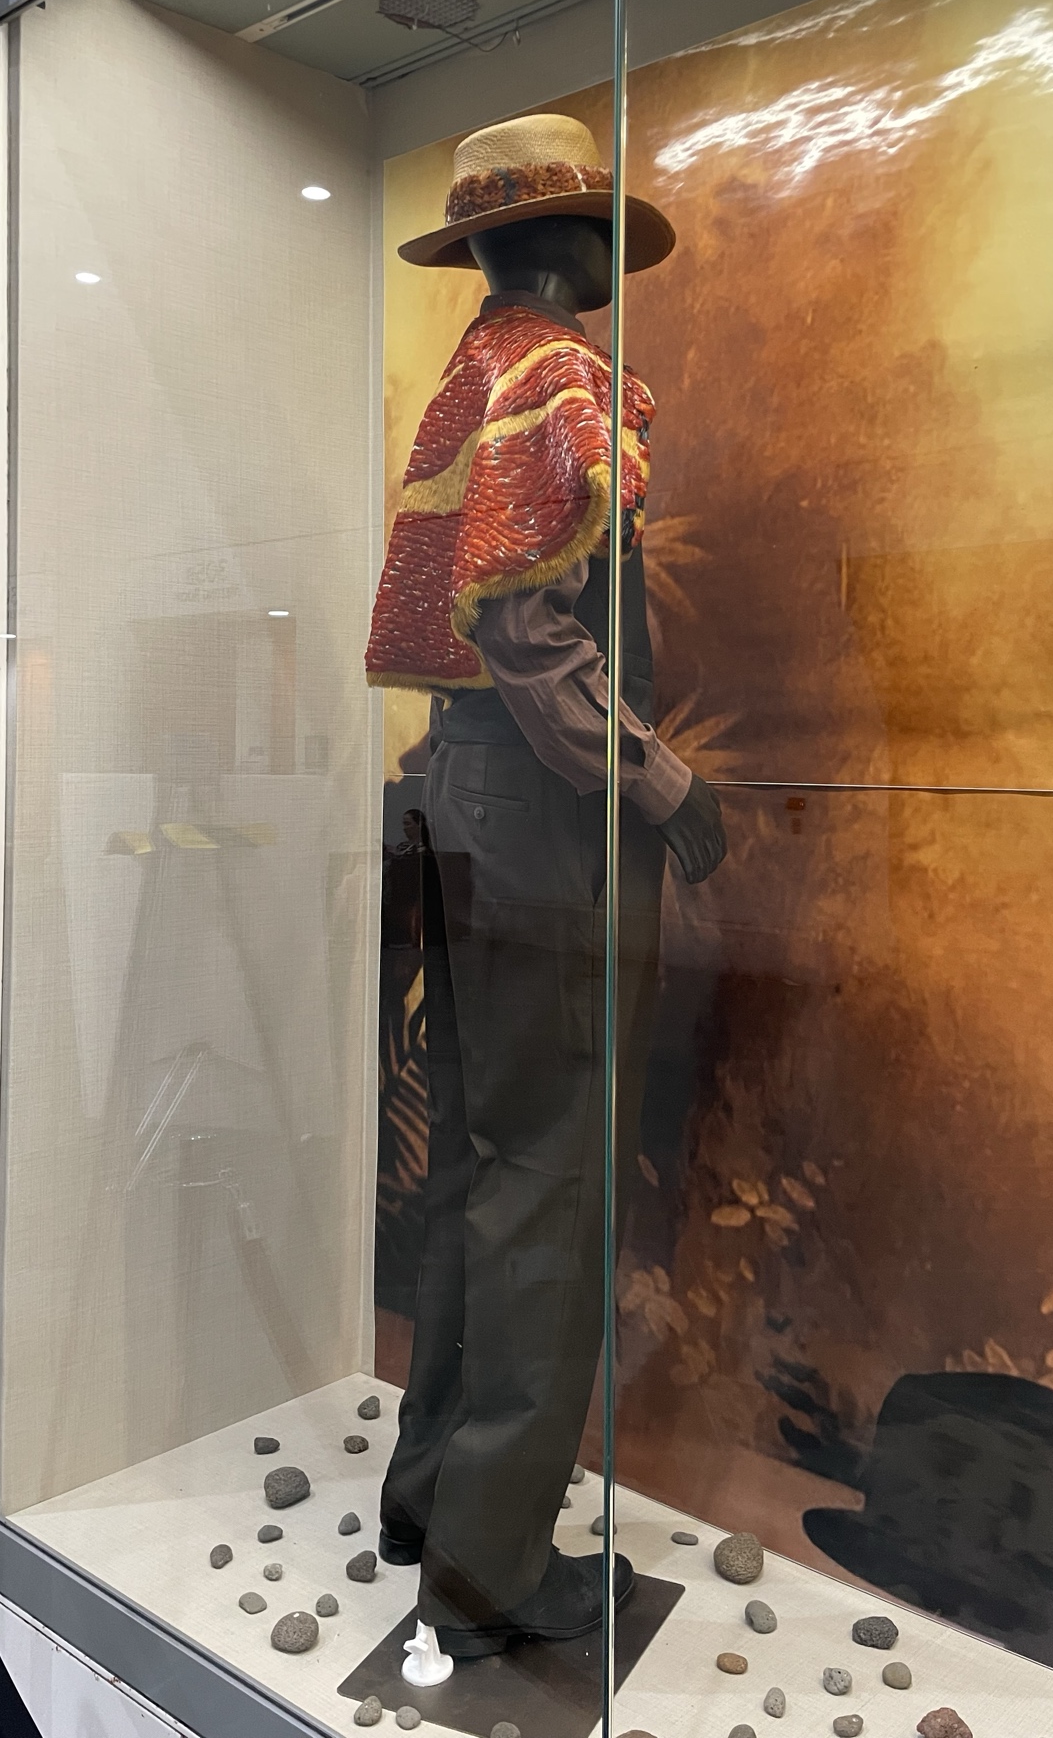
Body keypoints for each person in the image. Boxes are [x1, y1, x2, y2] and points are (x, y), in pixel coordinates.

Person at [365, 113, 726, 1656]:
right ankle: (493, 1569)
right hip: (539, 819)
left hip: (457, 801)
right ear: (555, 243)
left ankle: (433, 1497)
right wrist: (664, 781)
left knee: (475, 1166)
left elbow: (466, 631)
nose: (610, 255)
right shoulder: (561, 380)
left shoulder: (471, 375)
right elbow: (526, 632)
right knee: (550, 1182)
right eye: (595, 228)